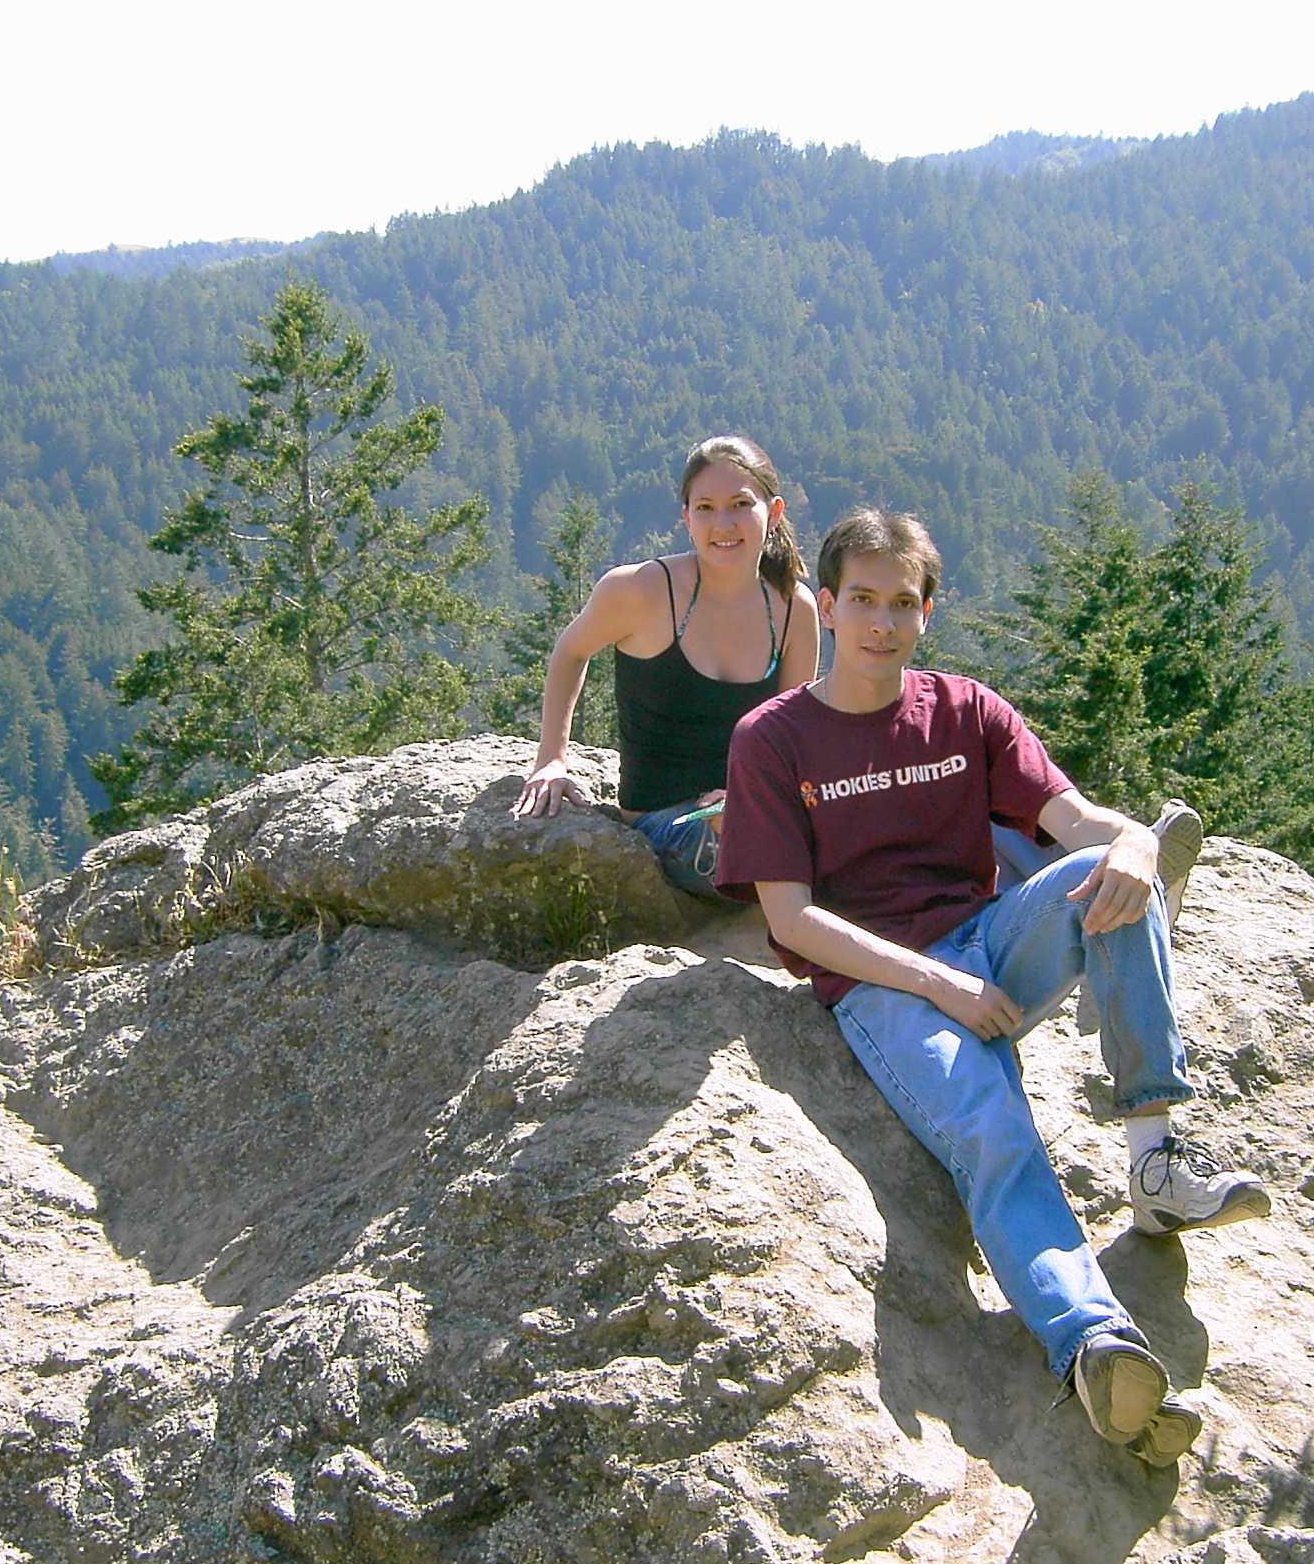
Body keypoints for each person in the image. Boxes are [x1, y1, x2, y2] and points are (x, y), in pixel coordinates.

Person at [715, 507, 1270, 1468]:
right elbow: (791, 921)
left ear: (927, 611)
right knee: (991, 1129)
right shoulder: (775, 739)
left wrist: (1135, 844)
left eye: (903, 603)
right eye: (862, 600)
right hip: (880, 983)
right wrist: (940, 985)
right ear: (828, 606)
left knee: (1112, 878)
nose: (882, 622)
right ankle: (1095, 1346)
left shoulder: (965, 709)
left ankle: (1154, 1165)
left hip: (993, 939)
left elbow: (1070, 819)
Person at [514, 436, 821, 896]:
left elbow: (789, 738)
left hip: (748, 810)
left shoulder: (794, 608)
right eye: (706, 508)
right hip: (669, 823)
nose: (723, 524)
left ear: (774, 512)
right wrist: (552, 760)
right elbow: (571, 651)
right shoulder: (641, 591)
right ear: (686, 518)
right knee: (756, 857)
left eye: (740, 504)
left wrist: (749, 801)